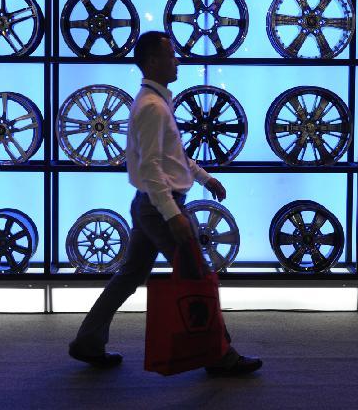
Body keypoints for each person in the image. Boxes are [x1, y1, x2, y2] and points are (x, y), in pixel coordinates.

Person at [68, 31, 262, 377]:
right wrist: (173, 215)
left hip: (149, 204)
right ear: (153, 62)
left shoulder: (155, 102)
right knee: (199, 276)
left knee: (129, 275)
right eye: (171, 54)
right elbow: (151, 167)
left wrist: (205, 178)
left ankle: (88, 342)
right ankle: (221, 355)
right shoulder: (152, 107)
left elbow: (174, 157)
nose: (177, 60)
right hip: (160, 207)